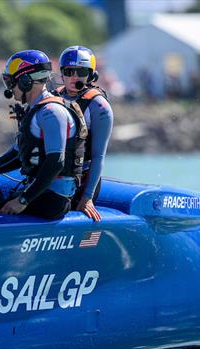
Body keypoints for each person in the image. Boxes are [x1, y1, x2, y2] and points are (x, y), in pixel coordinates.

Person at [0, 50, 87, 220]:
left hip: (52, 200)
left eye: (11, 82)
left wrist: (22, 201)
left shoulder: (51, 112)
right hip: (42, 193)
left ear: (26, 81)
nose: (10, 88)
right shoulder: (35, 109)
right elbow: (16, 155)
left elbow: (56, 162)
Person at [56, 45, 113, 222]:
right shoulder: (51, 97)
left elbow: (98, 156)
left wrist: (87, 197)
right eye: (69, 71)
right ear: (62, 73)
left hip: (81, 182)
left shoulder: (99, 107)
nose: (74, 77)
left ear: (91, 75)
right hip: (52, 174)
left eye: (80, 71)